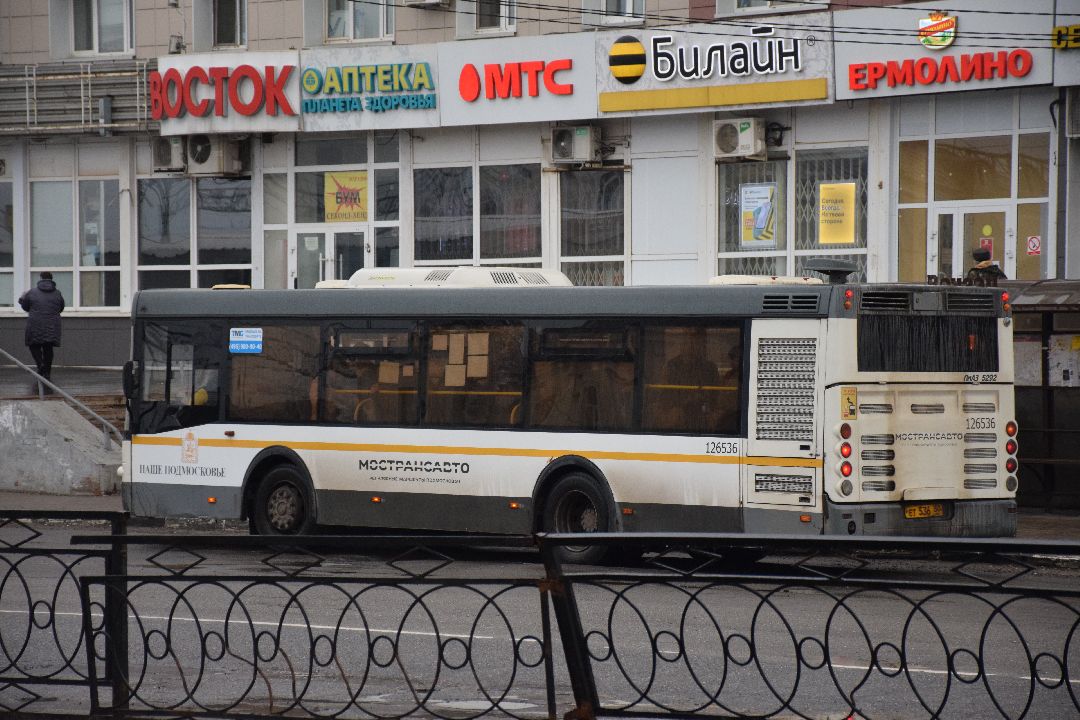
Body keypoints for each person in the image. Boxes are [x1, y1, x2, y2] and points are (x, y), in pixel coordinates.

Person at [18, 272, 65, 382]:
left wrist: (21, 300)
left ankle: (40, 365)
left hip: (35, 323)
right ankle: (47, 373)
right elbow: (61, 308)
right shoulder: (58, 293)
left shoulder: (31, 292)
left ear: (41, 279)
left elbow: (26, 307)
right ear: (51, 279)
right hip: (52, 325)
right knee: (48, 347)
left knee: (34, 345)